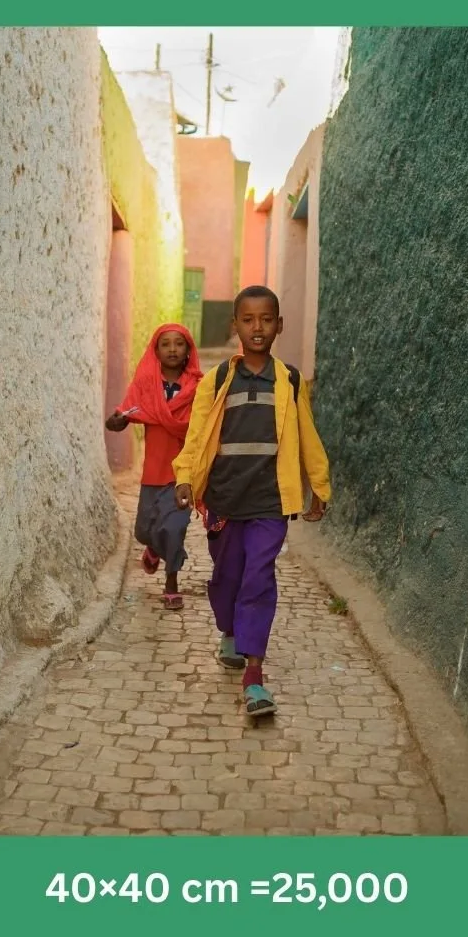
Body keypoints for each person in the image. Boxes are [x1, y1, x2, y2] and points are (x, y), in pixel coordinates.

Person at [172, 285, 332, 717]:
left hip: (269, 501)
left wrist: (319, 484)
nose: (257, 327)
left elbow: (308, 437)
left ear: (279, 325)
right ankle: (229, 630)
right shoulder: (218, 379)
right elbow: (198, 433)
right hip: (224, 498)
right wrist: (186, 477)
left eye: (266, 319)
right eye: (248, 319)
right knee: (227, 577)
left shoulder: (290, 381)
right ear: (235, 325)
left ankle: (255, 676)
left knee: (259, 578)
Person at [106, 323, 202, 610]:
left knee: (174, 529)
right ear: (156, 351)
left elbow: (207, 423)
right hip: (153, 472)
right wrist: (116, 421)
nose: (172, 349)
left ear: (188, 350)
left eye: (179, 344)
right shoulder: (146, 384)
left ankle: (171, 583)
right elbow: (125, 412)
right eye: (166, 344)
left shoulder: (198, 387)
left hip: (182, 475)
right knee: (144, 531)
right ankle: (152, 548)